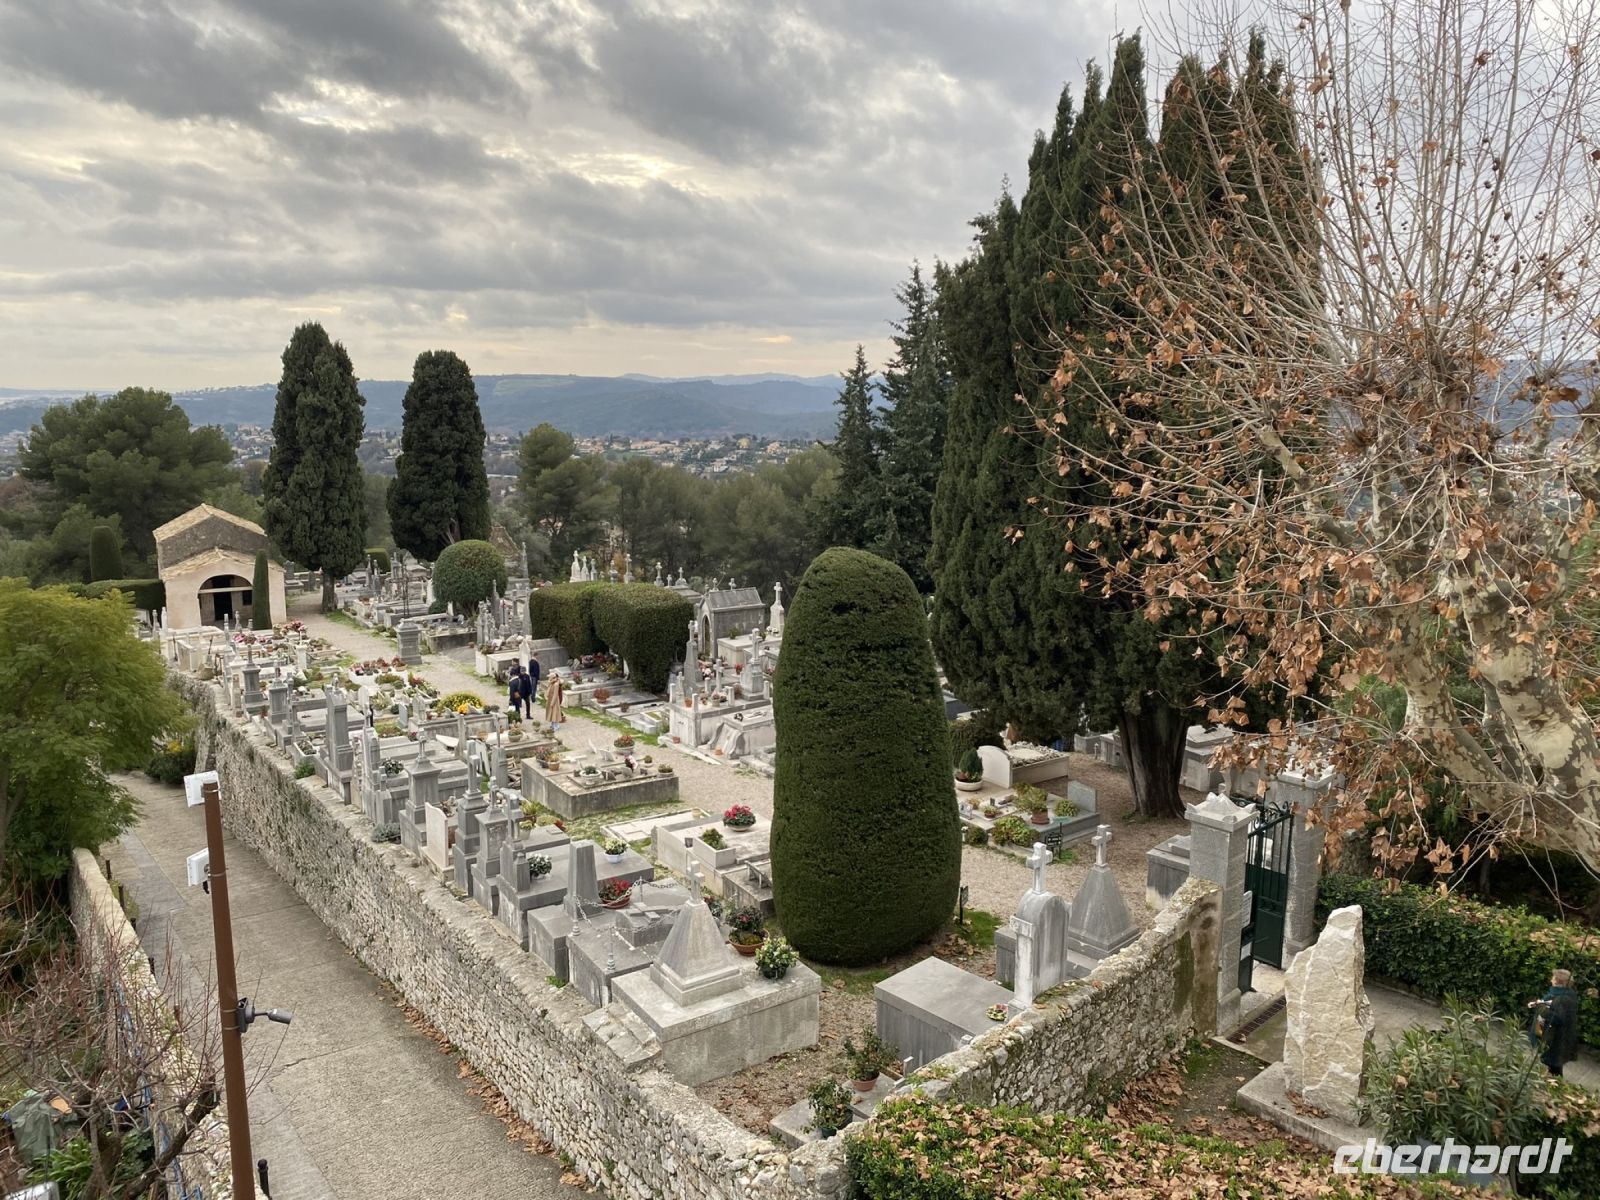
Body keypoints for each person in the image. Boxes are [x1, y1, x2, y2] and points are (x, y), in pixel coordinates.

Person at [1528, 968, 1581, 1076]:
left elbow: (1556, 1017)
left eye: (1553, 977)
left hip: (1556, 1038)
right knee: (1554, 1064)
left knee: (1553, 1063)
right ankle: (1555, 1083)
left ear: (1557, 981)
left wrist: (1541, 1007)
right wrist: (1541, 1003)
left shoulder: (1563, 999)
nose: (1551, 979)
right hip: (1556, 1036)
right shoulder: (1562, 994)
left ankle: (1555, 1084)